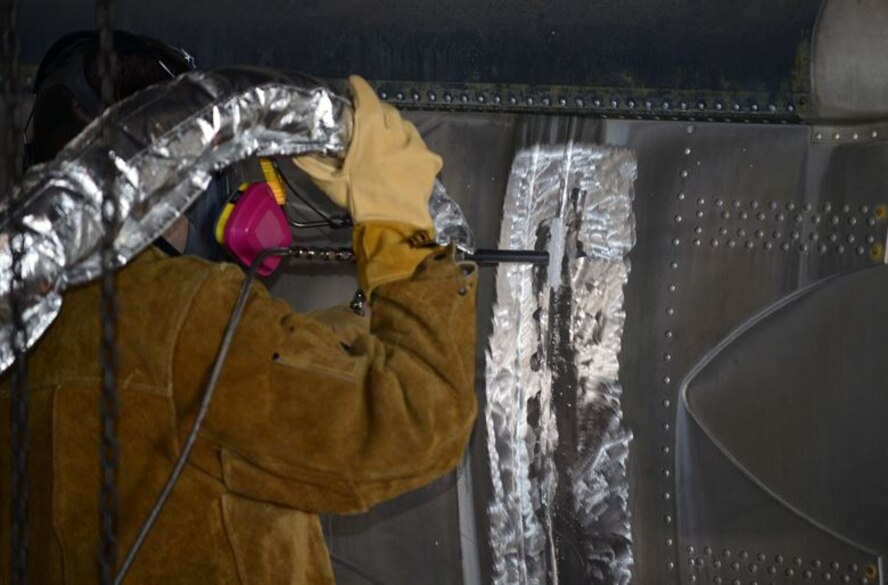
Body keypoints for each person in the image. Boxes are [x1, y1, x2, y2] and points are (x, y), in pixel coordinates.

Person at [1, 31, 478, 583]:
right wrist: (402, 236)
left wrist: (314, 344)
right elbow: (420, 422)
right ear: (179, 180)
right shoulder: (192, 312)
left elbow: (168, 412)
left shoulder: (26, 330)